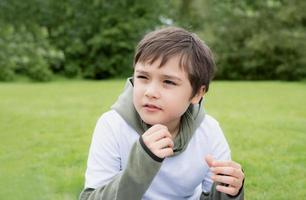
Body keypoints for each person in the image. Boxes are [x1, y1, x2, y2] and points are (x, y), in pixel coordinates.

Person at [79, 27, 244, 200]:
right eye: (143, 77)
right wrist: (143, 160)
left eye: (168, 82)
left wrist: (230, 192)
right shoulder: (112, 125)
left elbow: (213, 196)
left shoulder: (208, 131)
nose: (150, 92)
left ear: (197, 94)